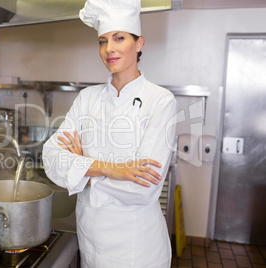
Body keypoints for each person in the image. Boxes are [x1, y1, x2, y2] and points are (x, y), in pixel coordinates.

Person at [42, 0, 177, 267]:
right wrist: (111, 169)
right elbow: (50, 158)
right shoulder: (87, 98)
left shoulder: (160, 101)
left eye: (119, 38)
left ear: (139, 44)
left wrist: (82, 171)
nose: (109, 49)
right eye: (102, 41)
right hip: (91, 240)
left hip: (137, 248)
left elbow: (144, 189)